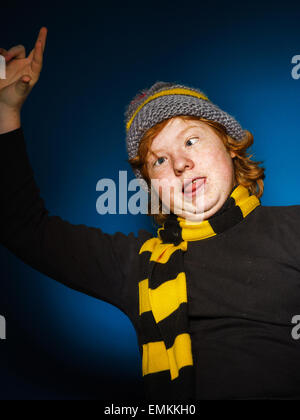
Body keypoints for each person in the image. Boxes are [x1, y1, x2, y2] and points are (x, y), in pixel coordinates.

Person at [1, 27, 300, 401]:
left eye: (191, 139)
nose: (179, 163)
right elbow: (23, 225)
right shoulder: (138, 263)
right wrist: (6, 110)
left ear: (230, 146)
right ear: (153, 187)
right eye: (158, 160)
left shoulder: (295, 228)